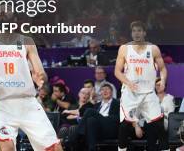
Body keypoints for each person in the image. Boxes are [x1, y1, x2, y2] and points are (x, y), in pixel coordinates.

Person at [0, 16, 62, 151]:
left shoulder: (26, 41)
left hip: (27, 102)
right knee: (7, 147)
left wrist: (41, 78)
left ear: (15, 20)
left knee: (55, 147)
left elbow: (40, 72)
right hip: (1, 104)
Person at [115, 21, 168, 151]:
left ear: (144, 32)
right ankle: (121, 149)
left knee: (159, 125)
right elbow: (117, 71)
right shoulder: (124, 49)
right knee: (125, 126)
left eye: (139, 30)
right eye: (134, 31)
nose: (136, 33)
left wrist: (163, 80)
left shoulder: (153, 49)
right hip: (130, 93)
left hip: (149, 93)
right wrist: (128, 82)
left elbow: (162, 69)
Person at [72, 83, 120, 150]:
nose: (105, 91)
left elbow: (118, 118)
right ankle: (92, 148)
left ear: (111, 92)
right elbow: (81, 111)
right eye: (102, 90)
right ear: (100, 93)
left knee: (89, 111)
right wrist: (91, 100)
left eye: (107, 89)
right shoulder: (97, 105)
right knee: (90, 120)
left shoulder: (117, 103)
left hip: (110, 128)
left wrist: (102, 118)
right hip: (99, 129)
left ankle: (78, 135)